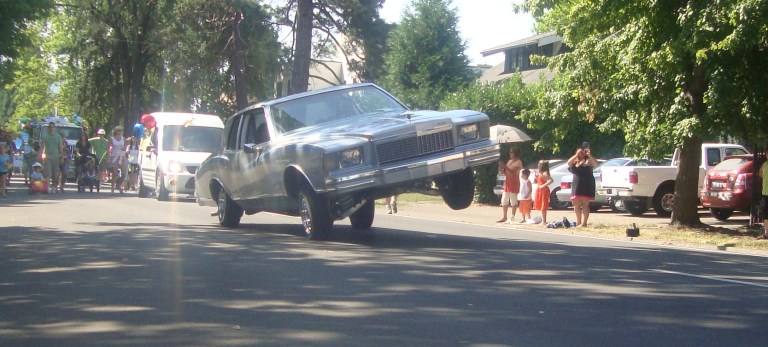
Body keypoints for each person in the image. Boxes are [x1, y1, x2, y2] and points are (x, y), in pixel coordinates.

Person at [567, 145, 599, 227]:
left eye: (582, 152)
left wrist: (589, 155)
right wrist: (576, 155)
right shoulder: (574, 162)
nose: (581, 153)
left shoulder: (588, 161)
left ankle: (584, 223)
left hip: (586, 184)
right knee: (576, 204)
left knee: (585, 204)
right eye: (579, 152)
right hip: (576, 185)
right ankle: (578, 222)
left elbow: (596, 164)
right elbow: (568, 163)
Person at [497, 147, 523, 223]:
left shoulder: (518, 162)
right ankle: (504, 216)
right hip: (507, 183)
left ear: (516, 153)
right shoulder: (509, 161)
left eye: (512, 152)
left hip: (514, 183)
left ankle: (512, 216)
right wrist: (500, 167)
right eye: (510, 152)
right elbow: (505, 172)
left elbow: (512, 171)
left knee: (513, 200)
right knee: (504, 200)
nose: (510, 153)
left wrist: (505, 166)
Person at [41, 122, 65, 194]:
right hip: (47, 157)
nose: (51, 128)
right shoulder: (45, 136)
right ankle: (47, 187)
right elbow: (42, 147)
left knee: (55, 174)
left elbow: (60, 148)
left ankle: (54, 187)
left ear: (55, 128)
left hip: (56, 157)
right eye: (50, 127)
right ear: (48, 128)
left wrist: (62, 157)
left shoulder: (58, 137)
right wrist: (40, 156)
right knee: (48, 173)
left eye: (53, 127)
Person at [108, 126, 128, 195]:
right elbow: (108, 148)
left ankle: (118, 184)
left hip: (122, 156)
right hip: (114, 156)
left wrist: (124, 148)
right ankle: (112, 189)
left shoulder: (124, 139)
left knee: (124, 173)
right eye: (118, 130)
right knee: (114, 173)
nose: (119, 131)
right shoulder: (112, 139)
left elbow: (125, 148)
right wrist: (108, 157)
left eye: (120, 130)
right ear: (115, 131)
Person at [534, 160, 554, 224]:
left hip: (544, 191)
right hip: (540, 190)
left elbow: (551, 180)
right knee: (541, 205)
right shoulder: (540, 172)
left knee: (544, 205)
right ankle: (543, 220)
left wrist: (543, 185)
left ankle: (544, 221)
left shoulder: (545, 173)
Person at [758, 153, 768, 240]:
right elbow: (760, 173)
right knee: (765, 214)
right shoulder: (765, 164)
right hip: (765, 192)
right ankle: (766, 233)